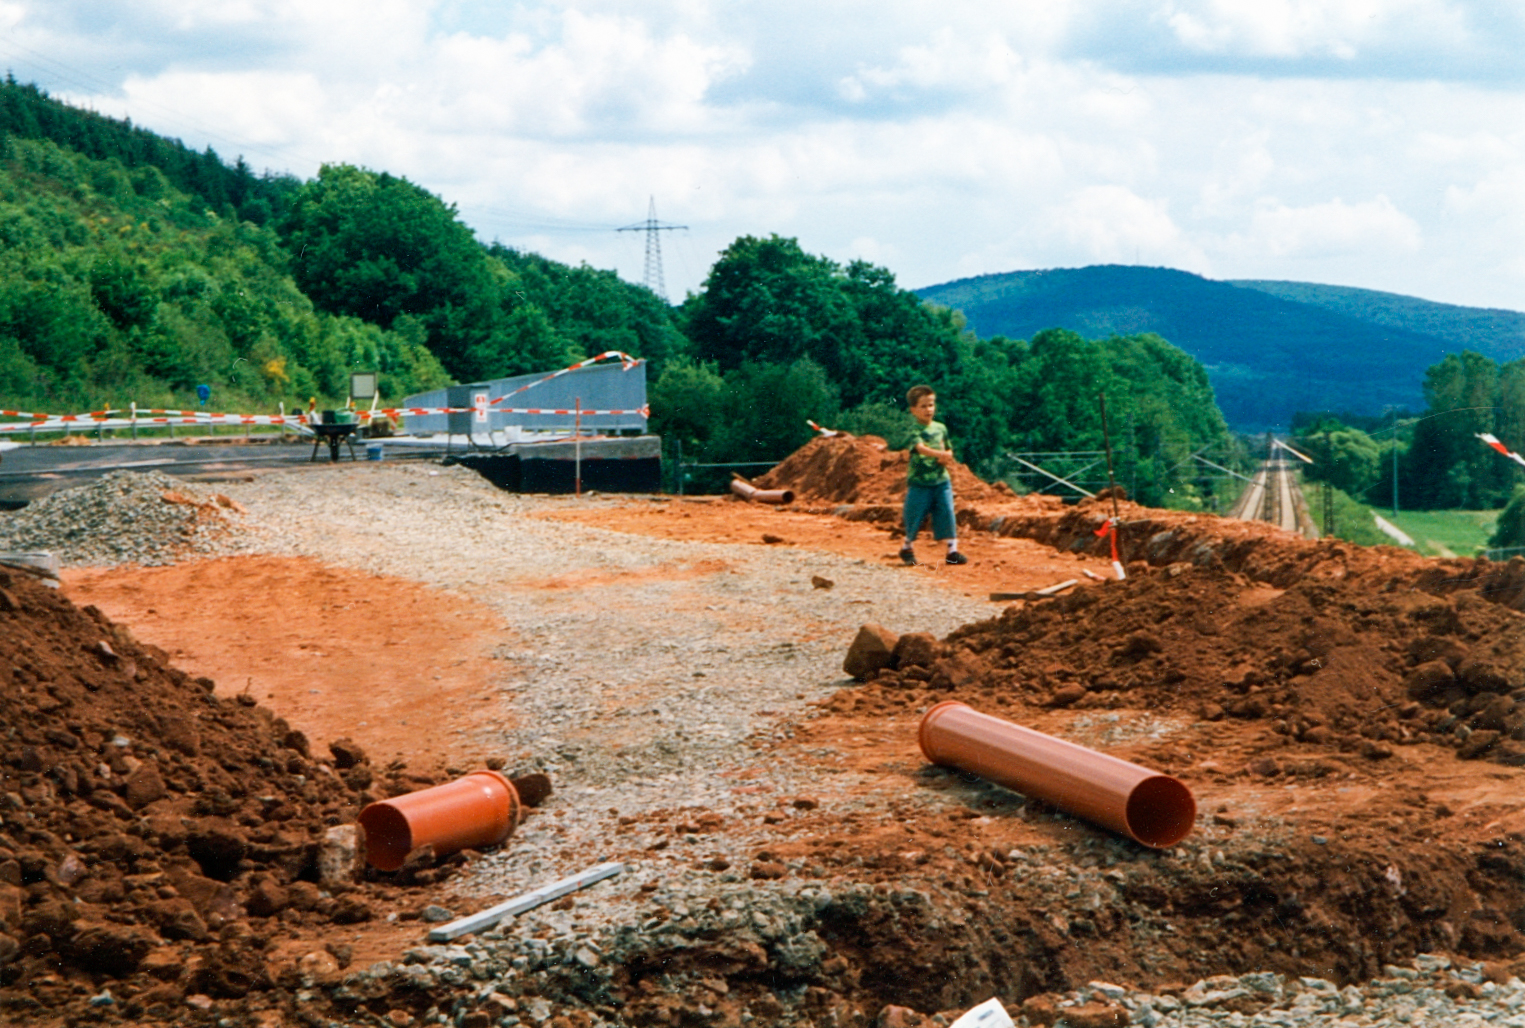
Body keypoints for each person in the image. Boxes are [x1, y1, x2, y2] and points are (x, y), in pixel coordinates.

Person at [900, 384, 967, 566]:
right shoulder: (914, 430)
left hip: (941, 479)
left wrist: (948, 456)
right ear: (913, 410)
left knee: (947, 511)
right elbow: (920, 448)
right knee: (915, 515)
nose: (928, 409)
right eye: (923, 406)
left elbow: (948, 447)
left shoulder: (941, 428)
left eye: (931, 405)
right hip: (920, 482)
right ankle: (907, 547)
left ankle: (952, 551)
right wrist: (940, 455)